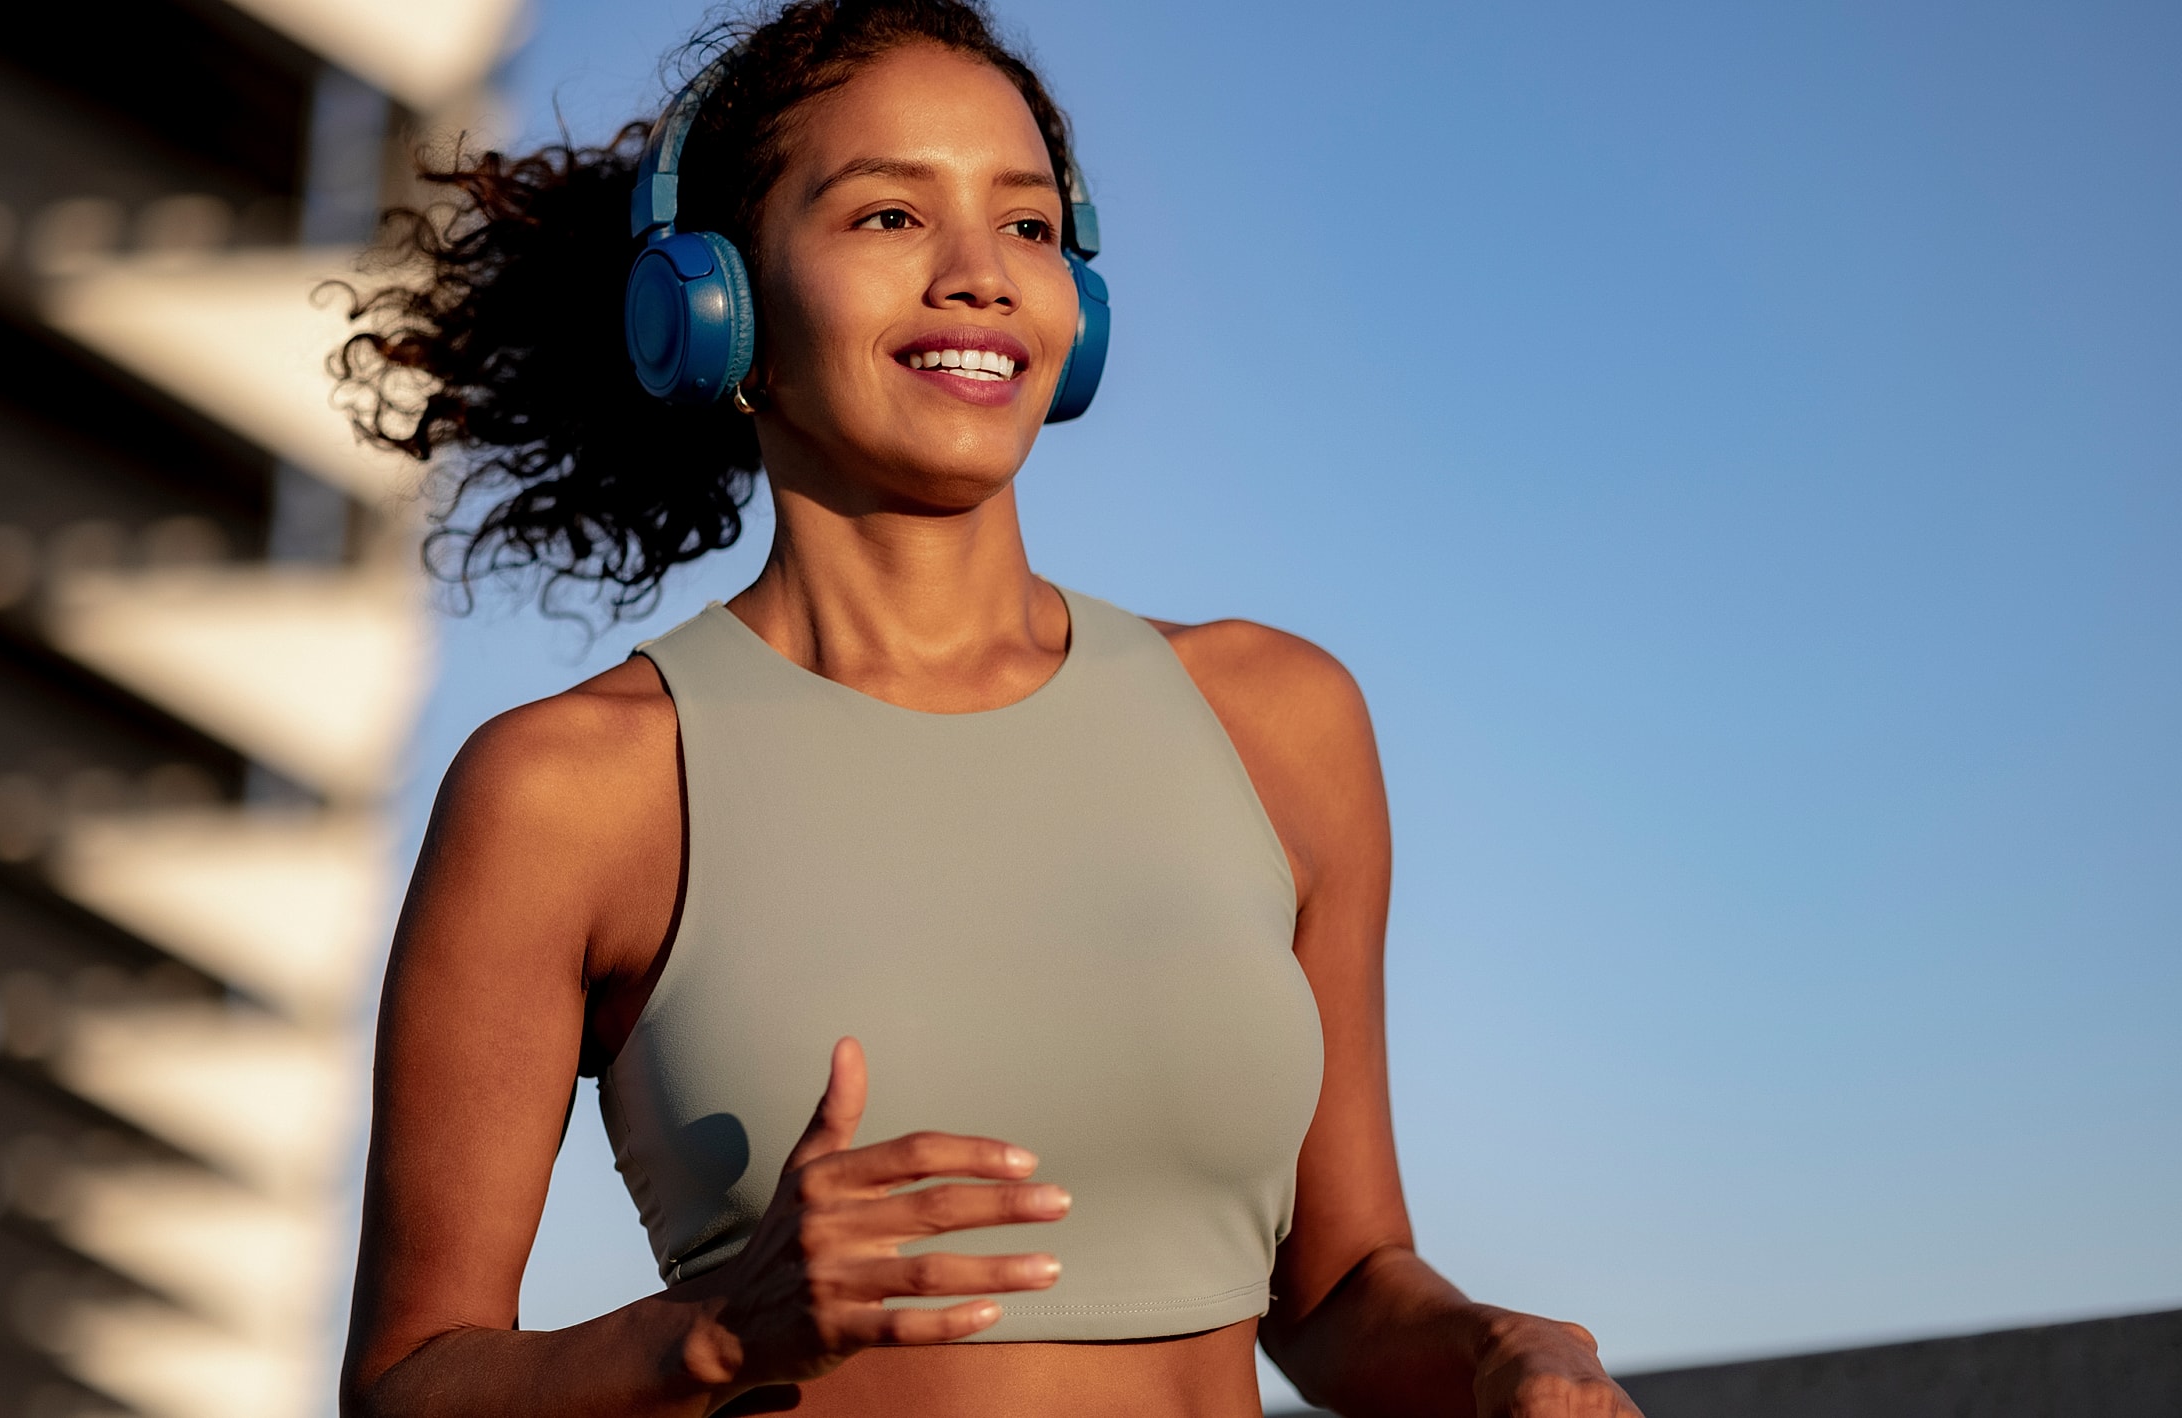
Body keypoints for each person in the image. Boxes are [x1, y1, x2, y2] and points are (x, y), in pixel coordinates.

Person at [337, 2, 1644, 1414]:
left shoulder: (1280, 719)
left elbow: (1336, 1290)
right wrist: (712, 1329)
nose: (979, 276)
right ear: (717, 306)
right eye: (890, 217)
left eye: (1027, 227)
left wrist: (1497, 1351)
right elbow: (412, 1382)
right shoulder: (573, 788)